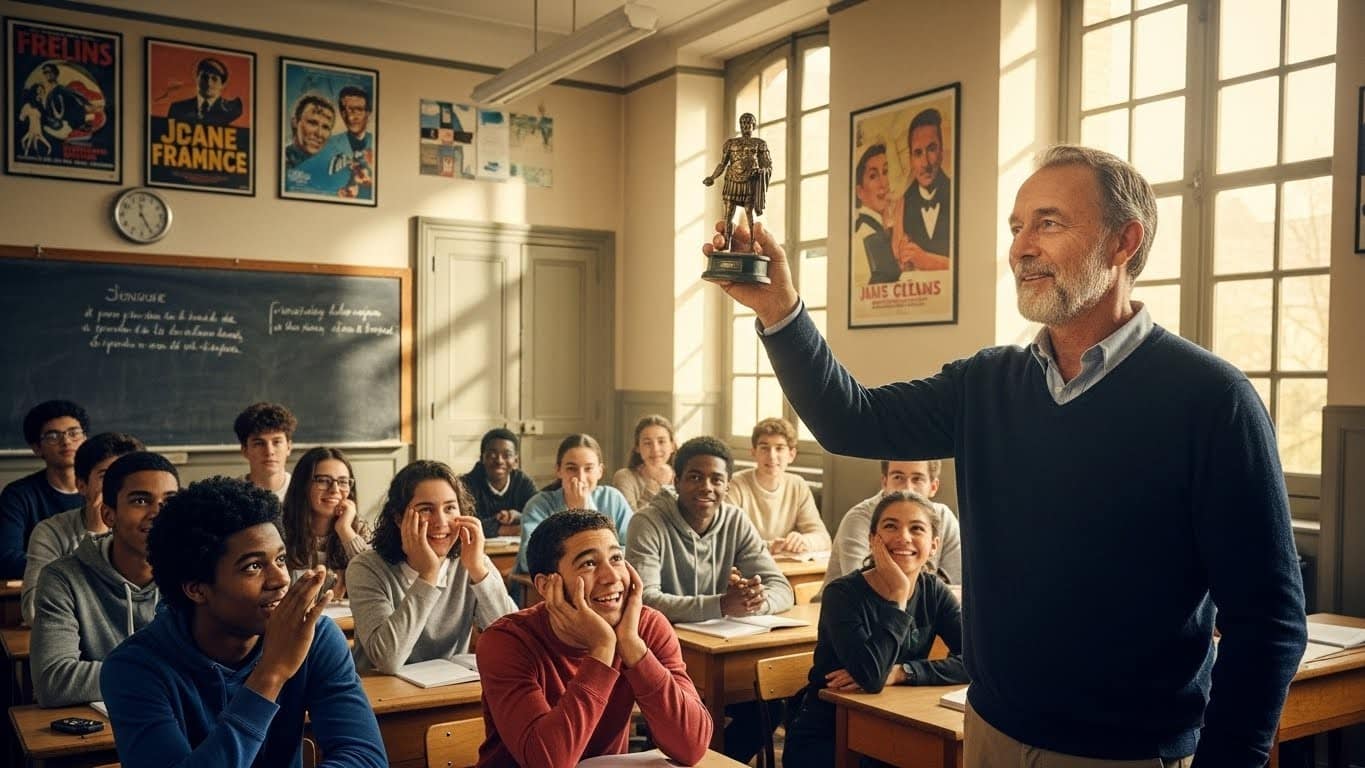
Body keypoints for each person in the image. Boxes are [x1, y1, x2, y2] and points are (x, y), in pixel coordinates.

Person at [705, 144, 1308, 766]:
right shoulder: (987, 383)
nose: (1021, 247)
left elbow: (1269, 621)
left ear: (1124, 242)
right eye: (1017, 227)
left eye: (1048, 223)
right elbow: (848, 419)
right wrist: (779, 309)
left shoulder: (1212, 400)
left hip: (1127, 753)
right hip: (989, 734)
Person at [100, 476, 386, 768]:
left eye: (280, 559)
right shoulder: (134, 669)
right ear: (197, 588)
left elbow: (365, 759)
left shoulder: (315, 637)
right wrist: (270, 675)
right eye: (253, 566)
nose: (281, 579)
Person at [475, 510, 712, 767]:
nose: (611, 577)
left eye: (616, 558)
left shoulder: (645, 627)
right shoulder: (506, 641)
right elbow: (546, 762)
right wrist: (602, 648)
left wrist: (632, 647)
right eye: (589, 563)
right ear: (545, 586)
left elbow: (692, 746)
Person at [626, 436, 793, 763]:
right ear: (676, 481)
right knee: (688, 714)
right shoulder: (647, 522)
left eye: (716, 479)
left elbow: (780, 587)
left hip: (720, 645)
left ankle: (709, 761)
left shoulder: (735, 520)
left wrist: (754, 601)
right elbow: (645, 600)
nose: (706, 487)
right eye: (695, 477)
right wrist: (720, 604)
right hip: (658, 649)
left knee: (769, 706)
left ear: (727, 485)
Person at [784, 492, 967, 768]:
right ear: (872, 540)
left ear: (934, 545)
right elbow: (870, 676)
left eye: (916, 528)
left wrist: (902, 672)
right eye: (890, 526)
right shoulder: (842, 594)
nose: (903, 537)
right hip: (827, 734)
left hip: (896, 726)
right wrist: (899, 595)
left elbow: (976, 662)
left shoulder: (934, 592)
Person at [31, 451, 178, 707]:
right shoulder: (63, 578)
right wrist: (170, 674)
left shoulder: (195, 572)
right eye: (141, 500)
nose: (158, 513)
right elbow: (53, 681)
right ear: (109, 516)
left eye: (169, 501)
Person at [347, 460, 516, 674]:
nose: (441, 521)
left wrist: (478, 571)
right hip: (382, 700)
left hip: (448, 695)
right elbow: (387, 659)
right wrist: (428, 575)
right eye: (426, 509)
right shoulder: (365, 568)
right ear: (399, 518)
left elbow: (514, 640)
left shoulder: (470, 561)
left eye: (450, 508)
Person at [22, 431, 144, 625]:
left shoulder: (155, 529)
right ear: (82, 485)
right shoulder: (50, 532)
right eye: (106, 476)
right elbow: (33, 612)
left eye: (130, 476)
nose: (120, 486)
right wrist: (96, 536)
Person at [822, 460, 962, 592]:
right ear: (884, 482)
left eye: (917, 479)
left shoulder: (944, 517)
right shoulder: (859, 519)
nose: (907, 488)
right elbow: (863, 588)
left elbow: (959, 584)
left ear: (933, 487)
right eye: (898, 477)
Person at [514, 434, 632, 575]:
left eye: (588, 469)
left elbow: (634, 550)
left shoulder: (613, 499)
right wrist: (579, 514)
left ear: (600, 471)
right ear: (558, 470)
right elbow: (527, 561)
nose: (580, 477)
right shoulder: (539, 505)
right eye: (571, 468)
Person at [0, 400, 89, 579]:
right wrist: (80, 568)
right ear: (36, 448)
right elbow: (6, 558)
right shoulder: (18, 495)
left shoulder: (103, 490)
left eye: (74, 433)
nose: (66, 441)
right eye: (53, 436)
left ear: (85, 439)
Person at [725, 417, 830, 554]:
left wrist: (804, 541)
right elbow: (729, 539)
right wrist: (769, 546)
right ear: (753, 453)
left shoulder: (798, 485)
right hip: (745, 565)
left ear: (791, 455)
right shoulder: (735, 485)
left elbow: (824, 538)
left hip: (786, 566)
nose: (772, 456)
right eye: (764, 448)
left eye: (779, 448)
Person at [280, 447, 370, 597]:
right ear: (303, 485)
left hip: (346, 619)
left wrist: (345, 530)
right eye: (323, 480)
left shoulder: (357, 528)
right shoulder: (279, 527)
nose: (334, 489)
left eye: (343, 482)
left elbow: (375, 575)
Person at [889, 108, 952, 272]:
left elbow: (969, 263)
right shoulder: (902, 204)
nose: (925, 162)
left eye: (931, 149)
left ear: (941, 151)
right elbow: (899, 262)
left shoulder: (958, 195)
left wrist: (927, 261)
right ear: (910, 159)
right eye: (918, 153)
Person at [703, 112, 773, 254]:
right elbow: (722, 164)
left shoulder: (759, 144)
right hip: (732, 181)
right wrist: (712, 177)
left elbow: (767, 165)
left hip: (749, 182)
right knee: (728, 214)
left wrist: (761, 171)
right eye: (743, 123)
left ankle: (752, 245)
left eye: (748, 123)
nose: (745, 126)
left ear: (753, 126)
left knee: (749, 213)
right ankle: (726, 243)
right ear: (740, 125)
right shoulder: (731, 144)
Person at [462, 428, 538, 538]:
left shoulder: (523, 483)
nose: (499, 461)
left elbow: (541, 517)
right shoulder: (466, 485)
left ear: (516, 461)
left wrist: (518, 516)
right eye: (492, 454)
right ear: (482, 458)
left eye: (507, 455)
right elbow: (466, 525)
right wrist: (512, 530)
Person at [852, 141, 901, 284]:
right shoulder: (865, 234)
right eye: (873, 176)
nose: (884, 183)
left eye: (885, 172)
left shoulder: (882, 227)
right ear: (860, 191)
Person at [609, 414, 676, 511]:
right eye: (647, 443)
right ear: (637, 447)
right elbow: (629, 522)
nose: (655, 449)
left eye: (661, 441)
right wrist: (650, 491)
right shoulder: (625, 477)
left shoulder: (682, 477)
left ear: (672, 446)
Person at [318, 85, 374, 199]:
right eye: (346, 111)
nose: (351, 117)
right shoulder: (327, 144)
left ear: (368, 113)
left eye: (358, 110)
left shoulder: (379, 144)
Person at [233, 401, 296, 501]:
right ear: (245, 450)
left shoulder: (304, 492)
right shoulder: (231, 496)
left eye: (276, 442)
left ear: (288, 447)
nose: (269, 451)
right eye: (259, 443)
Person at [167, 57, 243, 125]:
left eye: (214, 79)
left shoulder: (230, 111)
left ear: (222, 85)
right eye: (204, 77)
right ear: (197, 78)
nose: (209, 83)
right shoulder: (177, 109)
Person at [284, 94, 336, 170]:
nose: (319, 133)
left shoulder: (329, 167)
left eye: (326, 127)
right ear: (295, 123)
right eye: (312, 123)